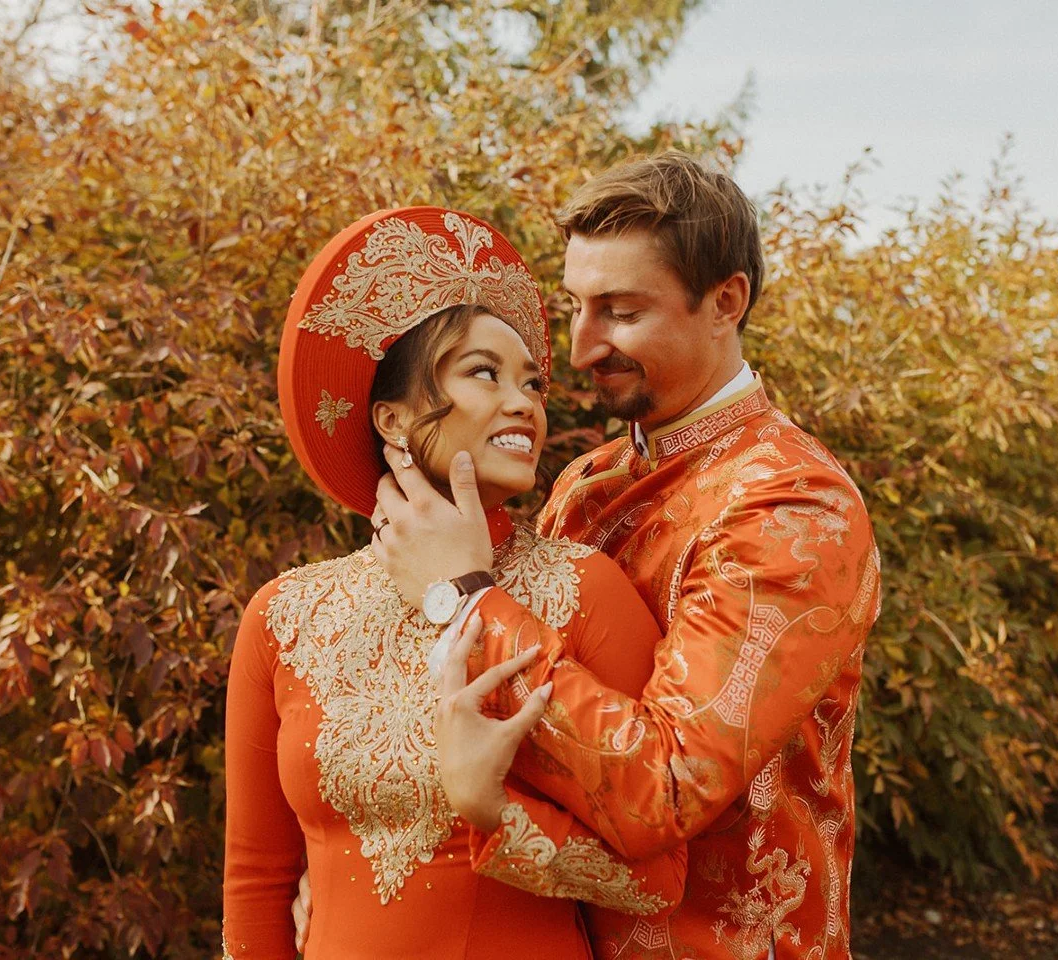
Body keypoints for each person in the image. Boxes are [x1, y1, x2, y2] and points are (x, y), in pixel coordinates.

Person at [369, 154, 882, 959]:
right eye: (575, 306)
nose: (579, 349)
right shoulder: (583, 484)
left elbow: (666, 789)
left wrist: (461, 593)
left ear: (726, 302)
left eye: (620, 311)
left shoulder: (793, 507)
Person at [222, 207, 687, 960]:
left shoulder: (586, 590)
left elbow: (659, 881)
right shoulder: (283, 617)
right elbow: (255, 880)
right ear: (392, 418)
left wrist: (493, 809)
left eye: (532, 382)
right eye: (484, 373)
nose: (525, 402)